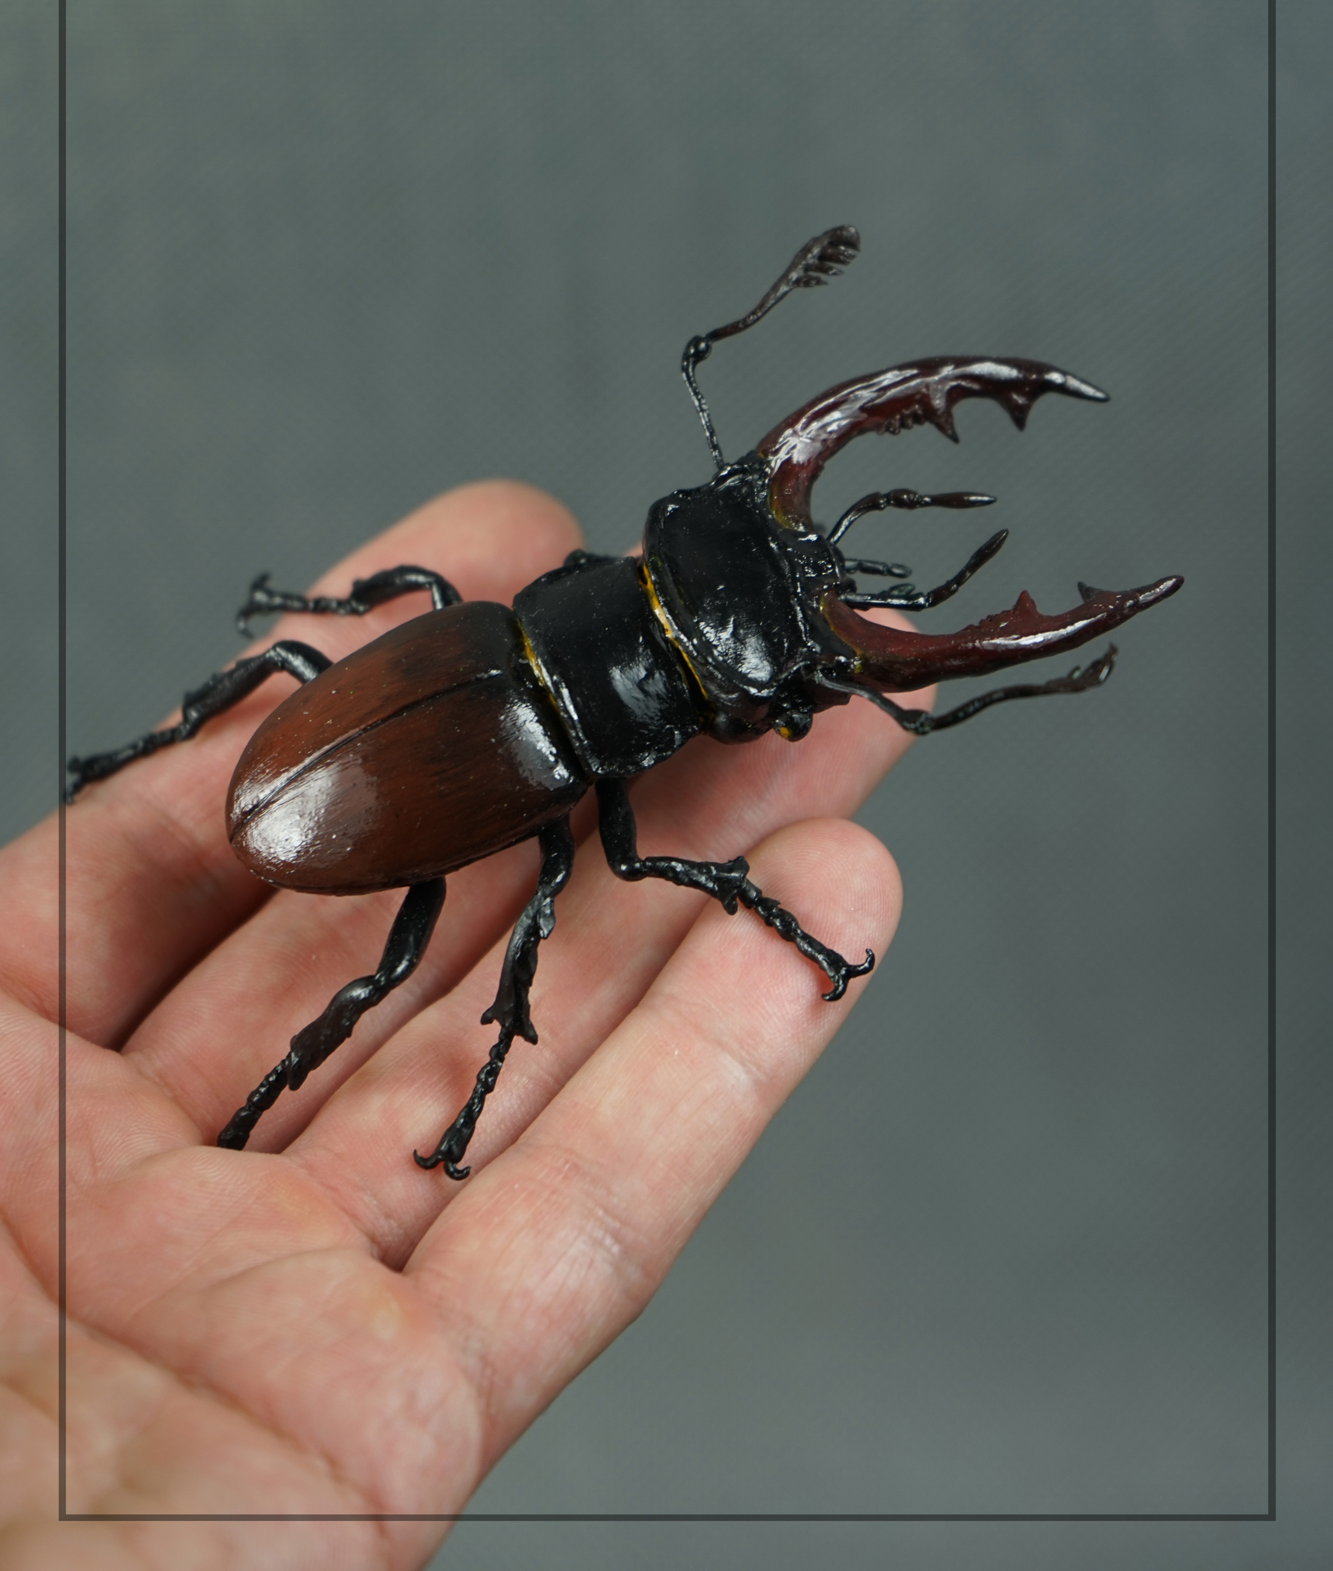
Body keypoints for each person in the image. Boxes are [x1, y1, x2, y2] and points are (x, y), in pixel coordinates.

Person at [1, 480, 914, 1560]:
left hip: (386, 722)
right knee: (442, 942)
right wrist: (740, 876)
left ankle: (276, 1079)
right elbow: (623, 860)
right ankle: (273, 1088)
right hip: (337, 790)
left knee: (308, 677)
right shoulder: (549, 735)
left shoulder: (476, 617)